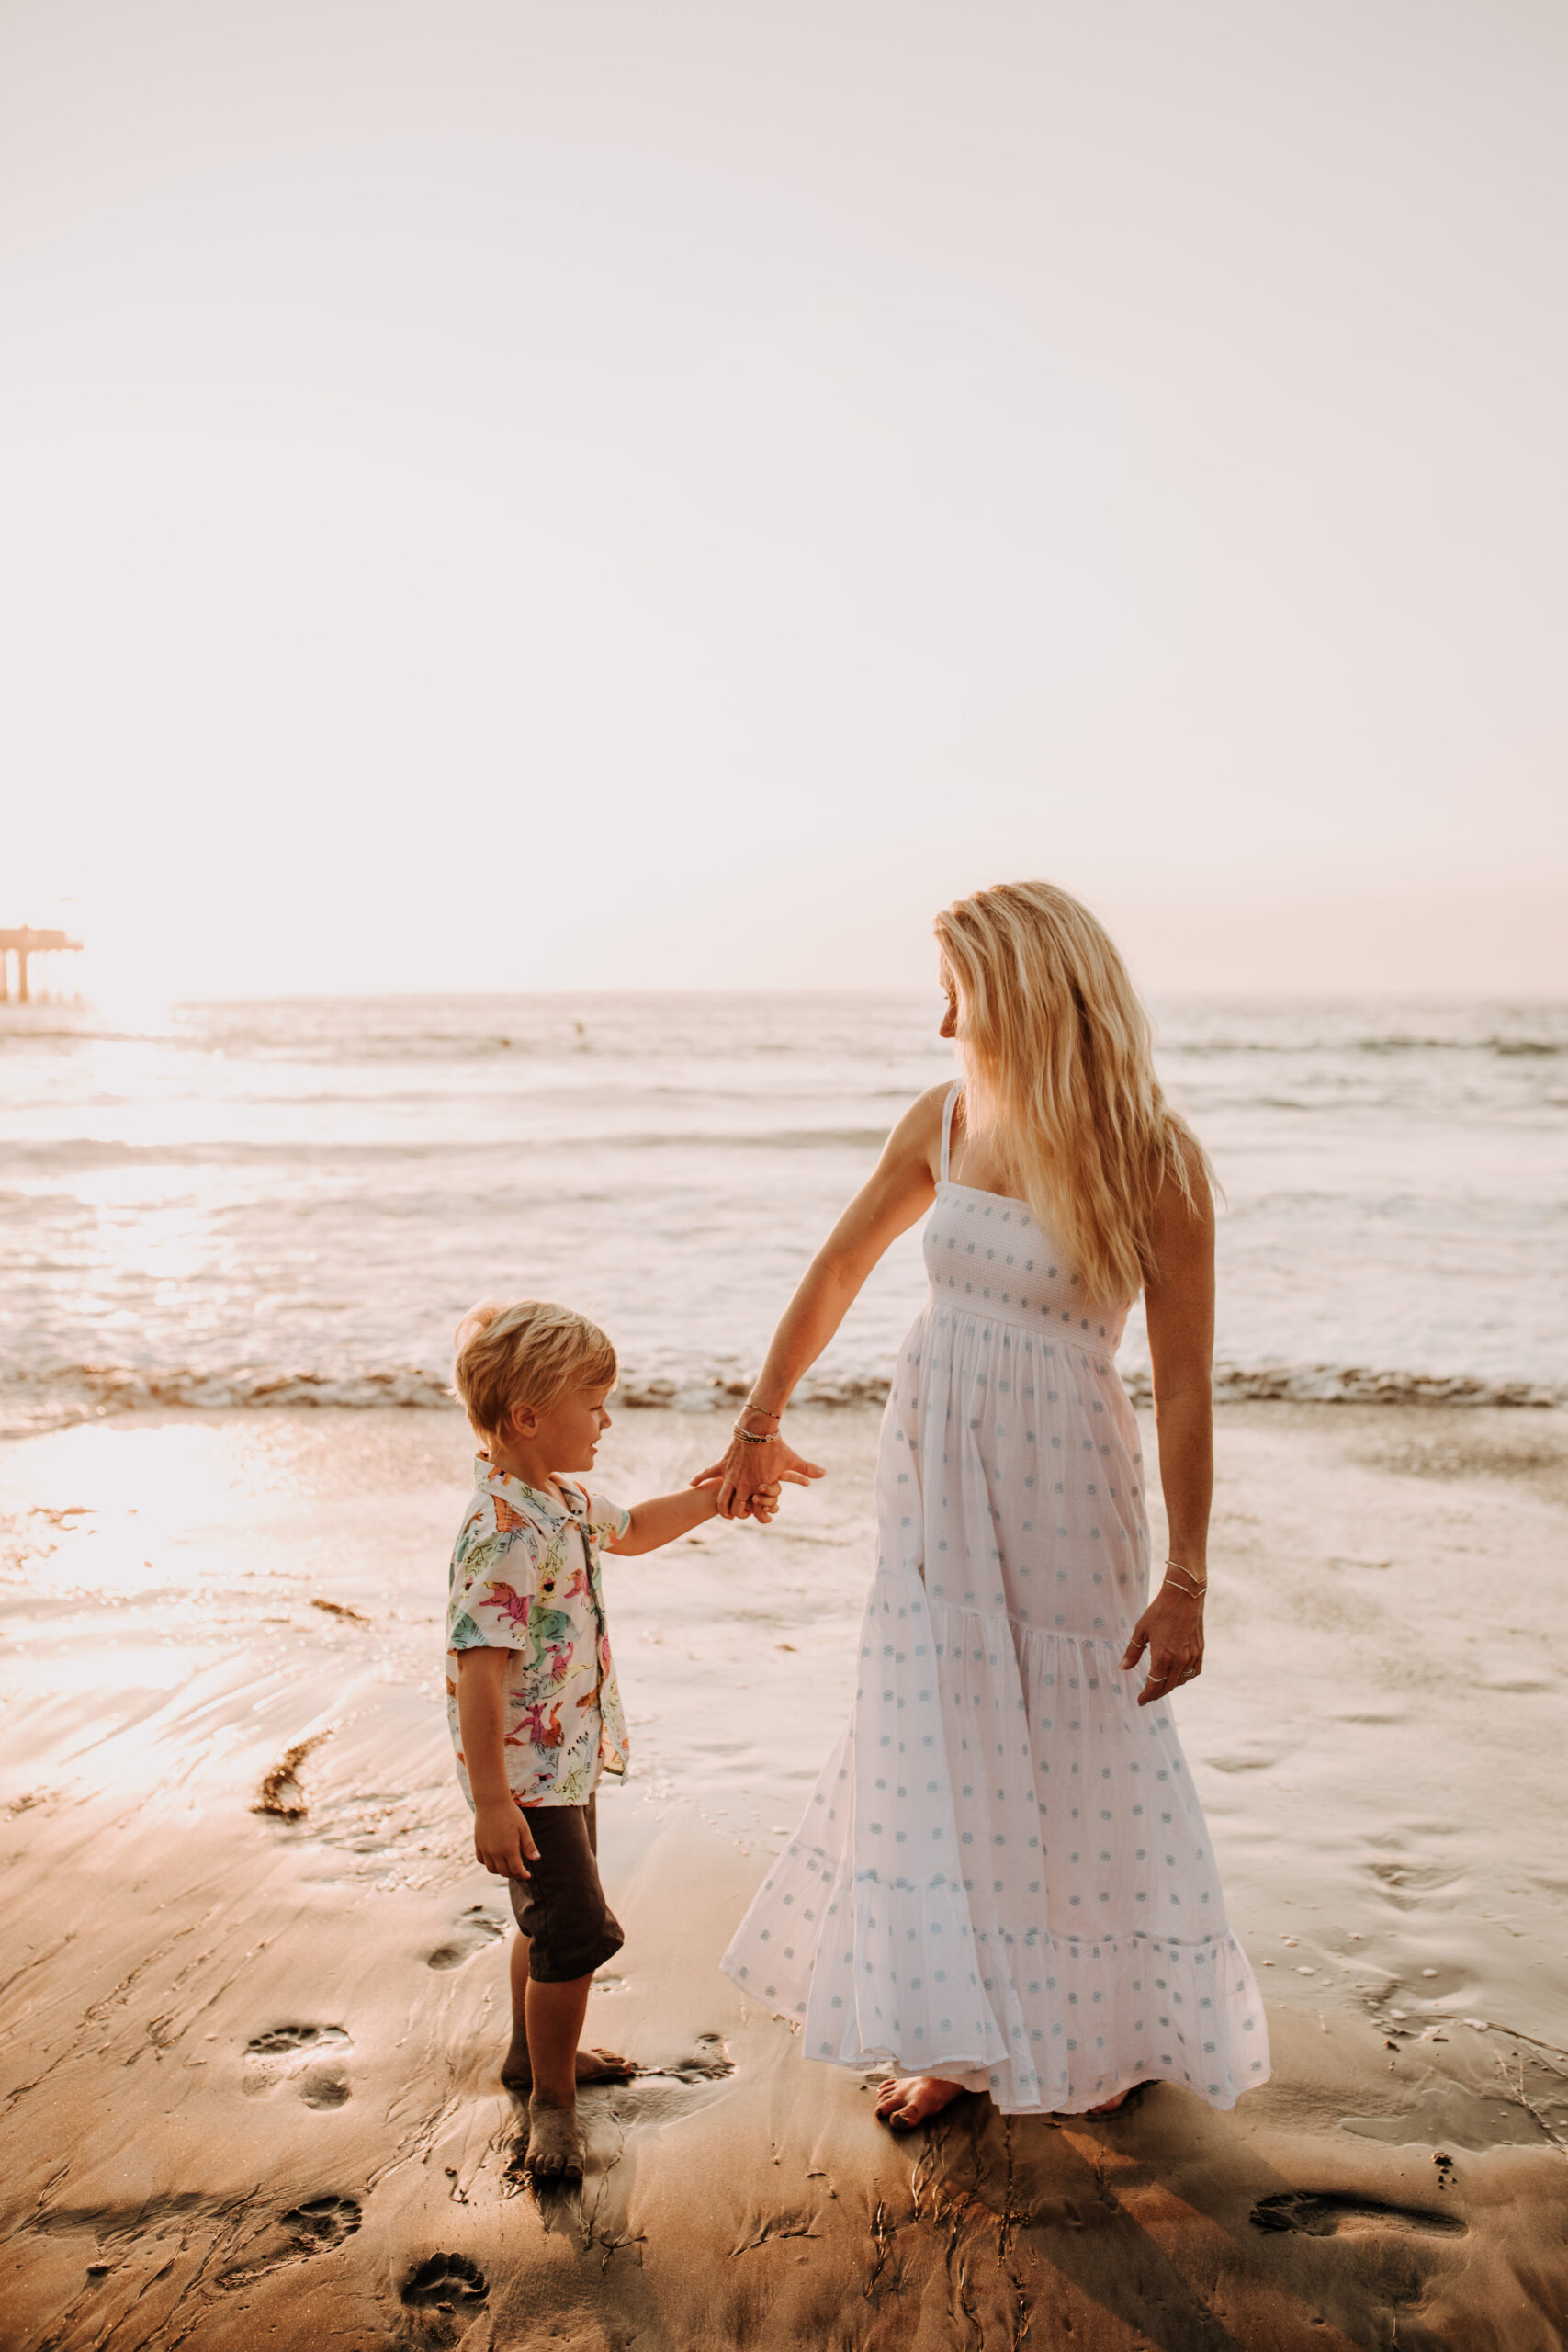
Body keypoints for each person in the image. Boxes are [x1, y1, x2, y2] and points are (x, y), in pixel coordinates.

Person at [701, 880, 1269, 2126]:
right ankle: (954, 2035)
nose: (938, 1019)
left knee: (1077, 1736)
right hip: (932, 1472)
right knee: (937, 1733)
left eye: (953, 989)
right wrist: (757, 1420)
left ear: (1015, 989)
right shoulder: (942, 1121)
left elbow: (1181, 1390)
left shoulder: (1153, 1160)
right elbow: (839, 1266)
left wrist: (1184, 1580)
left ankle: (1108, 2020)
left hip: (1068, 1478)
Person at [446, 1296, 785, 2183]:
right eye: (592, 1405)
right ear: (527, 1417)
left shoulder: (558, 1500)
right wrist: (490, 1800)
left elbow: (632, 1530)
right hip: (525, 1774)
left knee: (543, 1919)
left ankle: (531, 2059)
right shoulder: (502, 1532)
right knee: (576, 1934)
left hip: (562, 1757)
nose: (607, 1421)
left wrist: (721, 1495)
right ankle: (551, 2106)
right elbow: (478, 1673)